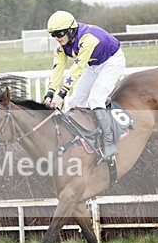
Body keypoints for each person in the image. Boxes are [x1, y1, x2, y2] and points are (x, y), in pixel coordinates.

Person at [42, 11, 126, 160]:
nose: (56, 38)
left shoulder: (88, 39)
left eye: (59, 33)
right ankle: (82, 137)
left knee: (95, 100)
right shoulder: (61, 44)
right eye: (53, 34)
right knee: (75, 101)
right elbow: (58, 67)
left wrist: (61, 94)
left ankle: (108, 144)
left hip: (112, 62)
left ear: (70, 30)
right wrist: (50, 93)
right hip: (92, 65)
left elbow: (77, 67)